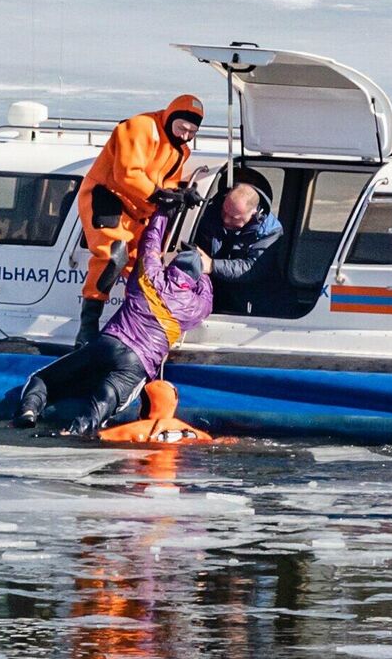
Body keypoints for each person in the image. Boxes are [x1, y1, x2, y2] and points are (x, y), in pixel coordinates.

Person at [14, 208, 213, 436]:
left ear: (172, 265)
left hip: (109, 342)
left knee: (42, 378)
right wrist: (204, 273)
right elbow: (208, 297)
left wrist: (162, 213)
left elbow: (150, 242)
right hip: (138, 361)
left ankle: (28, 412)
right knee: (106, 399)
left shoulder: (151, 276)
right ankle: (76, 432)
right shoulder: (196, 307)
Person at [74, 93, 207, 345]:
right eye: (181, 128)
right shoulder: (140, 127)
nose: (185, 135)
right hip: (107, 196)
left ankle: (133, 324)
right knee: (112, 256)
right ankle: (87, 329)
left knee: (142, 267)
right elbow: (126, 173)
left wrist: (181, 194)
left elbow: (167, 182)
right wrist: (158, 194)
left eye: (191, 132)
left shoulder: (181, 150)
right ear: (170, 116)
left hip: (140, 209)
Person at [196, 182, 283, 313]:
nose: (225, 220)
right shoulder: (211, 211)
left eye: (234, 218)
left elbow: (253, 268)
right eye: (224, 212)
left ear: (254, 212)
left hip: (248, 296)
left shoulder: (270, 232)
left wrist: (212, 265)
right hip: (209, 290)